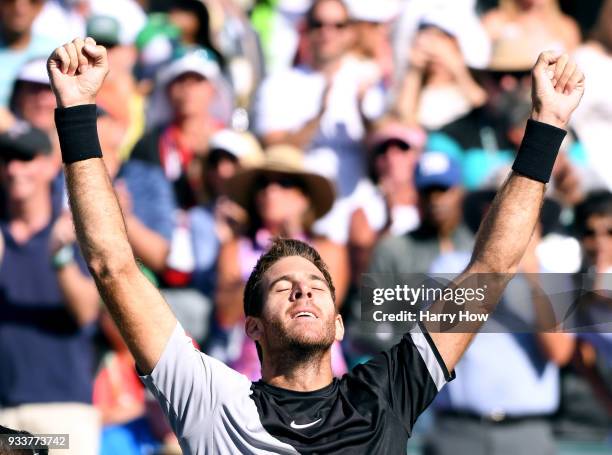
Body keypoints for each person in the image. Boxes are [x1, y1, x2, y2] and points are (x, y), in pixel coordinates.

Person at [46, 37, 584, 453]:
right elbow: (113, 265)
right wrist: (76, 113)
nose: (303, 293)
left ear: (340, 321)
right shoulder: (210, 398)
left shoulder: (388, 389)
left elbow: (491, 266)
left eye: (315, 286)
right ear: (251, 325)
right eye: (284, 287)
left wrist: (548, 125)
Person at [0, 123, 101, 455]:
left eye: (25, 158)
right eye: (7, 159)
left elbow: (87, 312)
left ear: (46, 164)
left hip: (62, 407)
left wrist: (59, 258)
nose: (14, 169)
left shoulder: (72, 234)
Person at [213, 144, 349, 380]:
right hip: (253, 375)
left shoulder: (330, 249)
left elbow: (327, 307)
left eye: (284, 183)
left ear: (304, 198)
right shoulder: (234, 248)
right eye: (263, 183)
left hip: (321, 375)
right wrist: (275, 256)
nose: (271, 191)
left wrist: (291, 245)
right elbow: (226, 314)